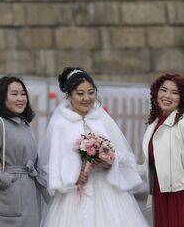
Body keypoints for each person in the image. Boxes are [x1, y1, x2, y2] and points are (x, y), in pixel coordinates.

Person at [39, 68, 148, 227]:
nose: (86, 98)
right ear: (69, 95)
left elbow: (118, 153)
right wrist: (75, 175)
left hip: (107, 188)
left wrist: (108, 162)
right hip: (74, 193)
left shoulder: (102, 120)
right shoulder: (60, 125)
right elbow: (56, 161)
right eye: (80, 93)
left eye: (91, 92)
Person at [0, 76, 46, 227]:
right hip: (8, 199)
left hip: (30, 198)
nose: (20, 98)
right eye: (14, 94)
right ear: (2, 97)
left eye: (23, 94)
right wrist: (7, 180)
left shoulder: (25, 125)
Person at [142, 73, 184, 227]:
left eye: (174, 92)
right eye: (163, 90)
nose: (167, 96)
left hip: (182, 195)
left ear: (181, 98)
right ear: (156, 92)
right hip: (160, 194)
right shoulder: (154, 124)